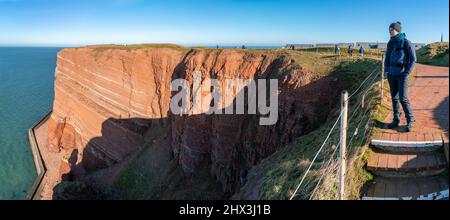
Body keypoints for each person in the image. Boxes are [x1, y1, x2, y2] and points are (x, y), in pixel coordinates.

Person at [384, 21, 416, 132]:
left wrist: (407, 72)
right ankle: (396, 120)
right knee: (394, 98)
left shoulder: (406, 43)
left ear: (397, 30)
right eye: (389, 30)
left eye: (391, 30)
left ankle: (410, 120)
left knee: (403, 98)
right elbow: (386, 57)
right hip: (391, 74)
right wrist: (386, 70)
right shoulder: (390, 43)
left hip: (402, 75)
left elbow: (413, 59)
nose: (389, 32)